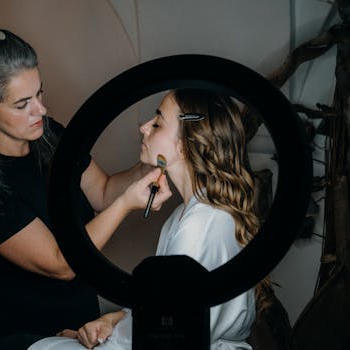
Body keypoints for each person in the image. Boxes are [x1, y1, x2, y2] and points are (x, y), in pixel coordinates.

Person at [28, 88, 274, 350]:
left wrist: (103, 333)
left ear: (184, 144)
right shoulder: (186, 216)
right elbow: (166, 307)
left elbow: (170, 329)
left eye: (157, 123)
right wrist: (113, 319)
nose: (144, 128)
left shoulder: (201, 226)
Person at [0, 23, 170, 350]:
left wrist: (151, 162)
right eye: (22, 104)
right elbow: (62, 263)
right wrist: (125, 204)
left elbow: (102, 191)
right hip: (23, 338)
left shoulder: (49, 134)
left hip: (81, 324)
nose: (40, 109)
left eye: (39, 93)